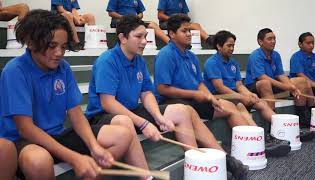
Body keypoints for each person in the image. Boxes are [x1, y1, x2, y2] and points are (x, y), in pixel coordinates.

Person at [85, 14, 249, 180]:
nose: (144, 42)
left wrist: (158, 117)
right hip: (105, 117)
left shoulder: (138, 60)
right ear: (122, 38)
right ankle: (147, 177)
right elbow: (107, 103)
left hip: (130, 110)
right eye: (139, 37)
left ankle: (196, 167)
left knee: (182, 111)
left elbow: (147, 93)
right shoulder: (107, 60)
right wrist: (143, 124)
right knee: (125, 121)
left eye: (146, 37)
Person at [0, 9, 151, 180]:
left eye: (63, 47)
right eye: (51, 46)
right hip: (24, 141)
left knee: (123, 135)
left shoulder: (63, 67)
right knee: (39, 160)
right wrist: (74, 157)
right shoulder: (15, 70)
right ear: (31, 42)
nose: (59, 53)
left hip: (57, 135)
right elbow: (25, 128)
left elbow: (76, 114)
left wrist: (94, 146)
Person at [153, 14, 290, 157]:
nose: (189, 34)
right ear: (172, 34)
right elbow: (162, 89)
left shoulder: (191, 56)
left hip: (194, 98)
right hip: (174, 101)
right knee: (237, 104)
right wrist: (197, 94)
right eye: (184, 31)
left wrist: (210, 97)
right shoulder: (166, 54)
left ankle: (255, 143)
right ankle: (250, 145)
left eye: (190, 31)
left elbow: (199, 83)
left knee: (230, 106)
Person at [244, 28, 315, 142]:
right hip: (255, 86)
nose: (273, 41)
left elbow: (280, 75)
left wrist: (291, 86)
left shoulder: (276, 55)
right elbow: (262, 77)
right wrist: (285, 87)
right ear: (260, 41)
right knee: (265, 83)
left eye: (274, 38)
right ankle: (272, 129)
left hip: (272, 83)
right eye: (269, 39)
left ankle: (302, 123)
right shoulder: (255, 55)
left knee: (301, 81)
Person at [290, 32, 315, 129]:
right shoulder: (296, 57)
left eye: (313, 43)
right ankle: (306, 119)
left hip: (314, 85)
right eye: (308, 43)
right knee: (304, 83)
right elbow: (300, 75)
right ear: (300, 44)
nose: (311, 45)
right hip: (300, 87)